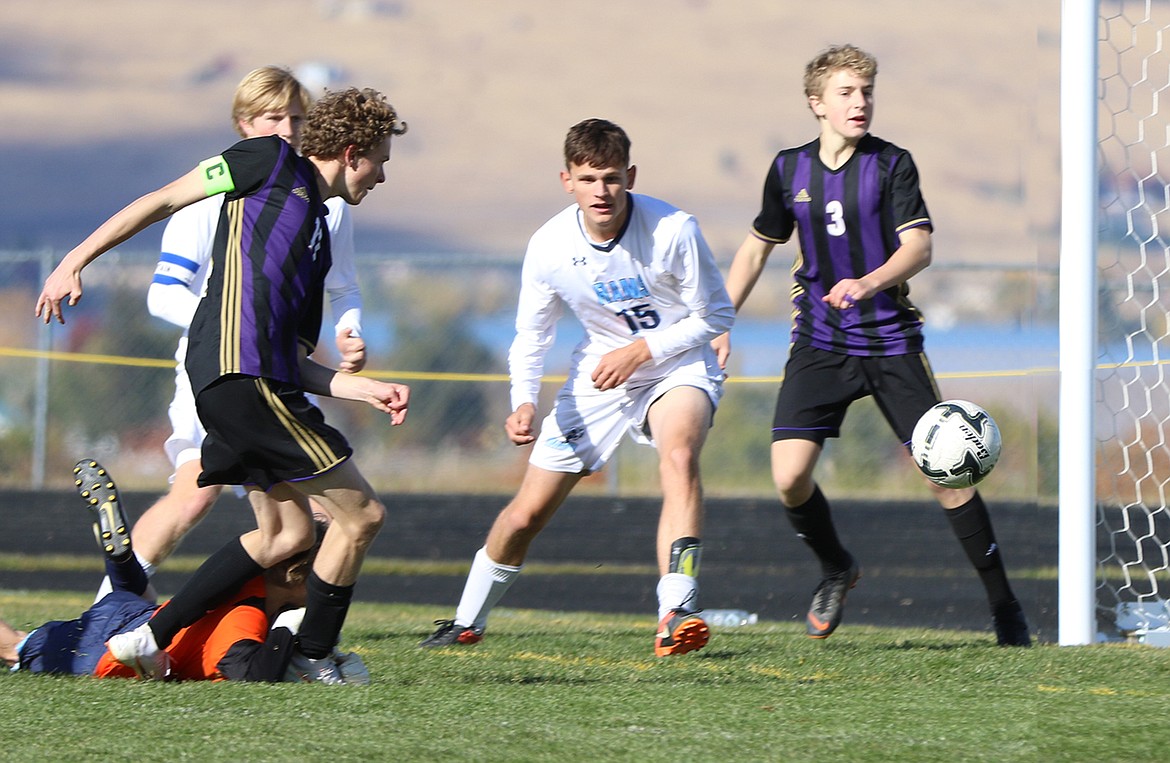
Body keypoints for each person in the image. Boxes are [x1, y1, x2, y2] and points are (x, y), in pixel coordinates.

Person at [35, 86, 411, 679]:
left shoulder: (315, 232)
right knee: (360, 516)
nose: (383, 176)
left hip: (245, 381)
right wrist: (74, 260)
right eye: (382, 160)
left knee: (284, 535)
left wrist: (362, 386)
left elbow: (295, 358)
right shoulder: (268, 159)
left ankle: (147, 637)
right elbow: (163, 200)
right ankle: (312, 658)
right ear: (351, 150)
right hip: (244, 377)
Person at [713, 44, 1031, 646]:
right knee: (788, 479)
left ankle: (1006, 611)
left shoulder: (892, 165)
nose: (860, 103)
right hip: (819, 342)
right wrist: (719, 319)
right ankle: (837, 566)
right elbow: (757, 248)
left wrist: (867, 282)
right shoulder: (788, 171)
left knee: (949, 474)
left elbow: (920, 248)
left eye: (866, 92)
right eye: (846, 92)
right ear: (817, 103)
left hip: (889, 341)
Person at [419, 118, 735, 657]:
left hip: (677, 365)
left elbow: (716, 315)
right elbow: (531, 335)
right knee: (526, 513)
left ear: (630, 175)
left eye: (612, 178)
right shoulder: (548, 246)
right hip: (598, 379)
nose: (602, 191)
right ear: (567, 181)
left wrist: (641, 350)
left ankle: (676, 611)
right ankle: (466, 622)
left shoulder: (674, 230)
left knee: (678, 456)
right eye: (589, 179)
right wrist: (523, 400)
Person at [94, 66, 368, 602]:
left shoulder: (331, 205)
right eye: (273, 118)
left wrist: (350, 326)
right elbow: (163, 294)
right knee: (199, 494)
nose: (288, 129)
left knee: (300, 517)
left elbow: (344, 286)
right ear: (244, 125)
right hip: (217, 367)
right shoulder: (217, 193)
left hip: (275, 370)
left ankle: (276, 629)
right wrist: (234, 324)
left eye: (297, 118)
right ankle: (110, 606)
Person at [0, 460, 368, 682]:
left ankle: (123, 561)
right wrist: (290, 631)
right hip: (102, 654)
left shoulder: (256, 579)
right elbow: (252, 673)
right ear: (296, 578)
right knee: (17, 647)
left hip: (140, 618)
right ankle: (121, 563)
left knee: (135, 601)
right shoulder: (244, 621)